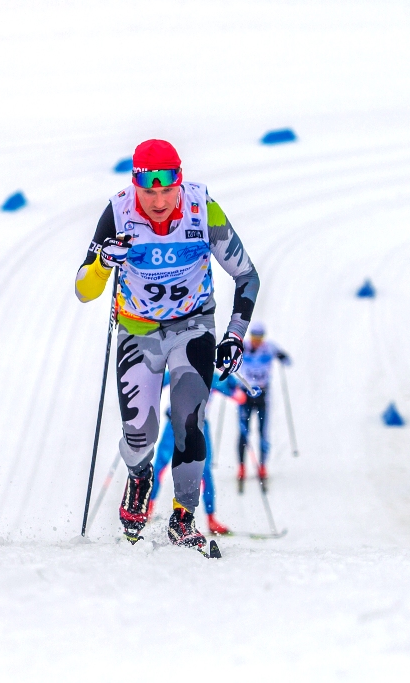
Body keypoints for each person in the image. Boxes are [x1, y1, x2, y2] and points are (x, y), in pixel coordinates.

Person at [75, 139, 259, 554]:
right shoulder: (119, 211)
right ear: (135, 185)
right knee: (139, 436)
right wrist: (105, 262)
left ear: (179, 181)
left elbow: (247, 276)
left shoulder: (202, 209)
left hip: (191, 327)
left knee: (187, 417)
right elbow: (83, 290)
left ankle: (183, 517)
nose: (158, 201)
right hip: (137, 331)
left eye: (166, 189)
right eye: (149, 191)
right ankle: (139, 478)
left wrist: (233, 335)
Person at [149, 371, 247, 535]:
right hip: (175, 425)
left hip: (199, 427)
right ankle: (147, 509)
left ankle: (211, 519)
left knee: (204, 471)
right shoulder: (177, 371)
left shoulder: (212, 377)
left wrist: (233, 383)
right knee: (159, 465)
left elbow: (239, 397)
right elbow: (153, 384)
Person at [235, 321, 290, 492]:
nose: (257, 340)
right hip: (245, 394)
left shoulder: (269, 348)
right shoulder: (242, 347)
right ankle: (242, 467)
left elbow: (287, 360)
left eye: (260, 337)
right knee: (243, 431)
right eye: (254, 337)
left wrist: (282, 357)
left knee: (262, 431)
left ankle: (263, 465)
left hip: (262, 395)